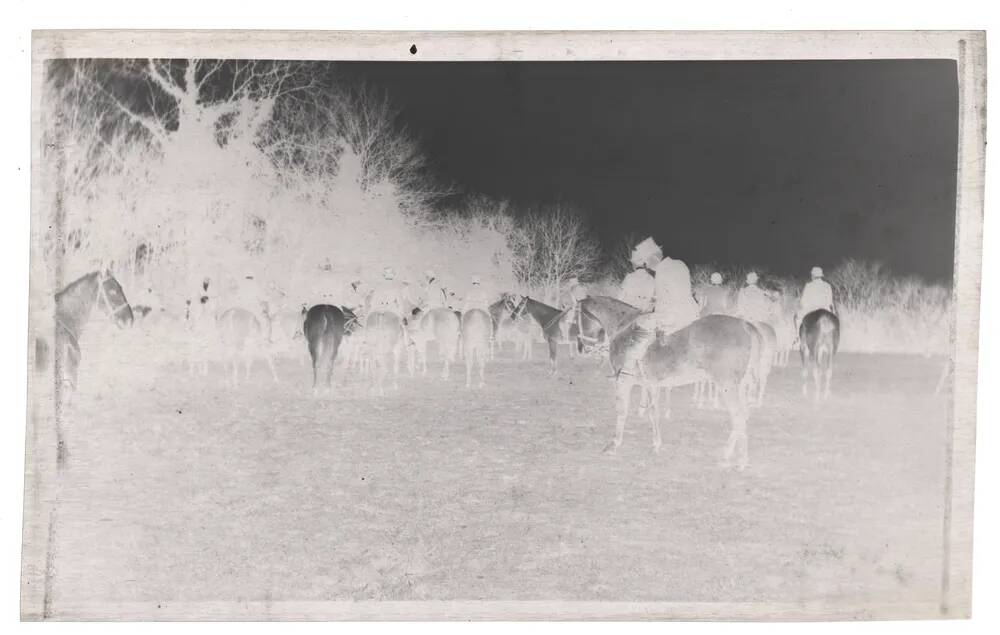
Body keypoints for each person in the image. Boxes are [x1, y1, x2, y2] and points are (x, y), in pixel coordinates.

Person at [619, 237, 700, 375]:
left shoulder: (662, 271)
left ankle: (630, 369)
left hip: (674, 316)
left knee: (640, 325)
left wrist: (651, 312)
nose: (647, 265)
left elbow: (664, 301)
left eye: (647, 262)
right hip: (692, 312)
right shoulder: (679, 263)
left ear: (653, 258)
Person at [618, 237, 658, 311]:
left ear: (635, 265)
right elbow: (655, 299)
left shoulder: (629, 277)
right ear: (645, 265)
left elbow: (620, 297)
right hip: (643, 314)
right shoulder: (652, 280)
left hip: (628, 313)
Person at [796, 266, 836, 332]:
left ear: (813, 275)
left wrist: (804, 306)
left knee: (797, 317)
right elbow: (830, 301)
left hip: (810, 309)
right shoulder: (827, 285)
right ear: (821, 276)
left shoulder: (808, 285)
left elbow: (803, 301)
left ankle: (797, 336)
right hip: (825, 309)